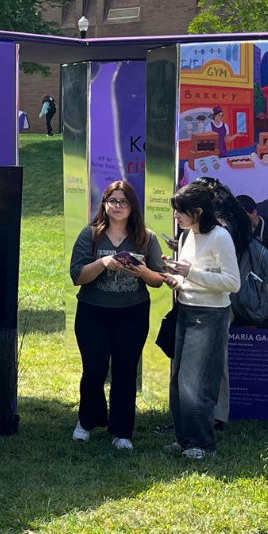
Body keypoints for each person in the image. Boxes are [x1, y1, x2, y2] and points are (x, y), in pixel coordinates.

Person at [69, 180, 168, 450]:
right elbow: (77, 276)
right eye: (112, 201)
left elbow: (158, 279)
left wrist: (142, 271)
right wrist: (101, 263)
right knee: (94, 370)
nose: (117, 206)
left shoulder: (146, 238)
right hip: (93, 312)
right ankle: (87, 422)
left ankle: (122, 432)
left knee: (125, 373)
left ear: (132, 206)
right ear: (104, 204)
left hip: (132, 313)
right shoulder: (90, 235)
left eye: (123, 201)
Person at [161, 181, 238, 460]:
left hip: (210, 316)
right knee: (179, 380)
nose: (176, 216)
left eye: (181, 211)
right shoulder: (185, 236)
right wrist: (176, 279)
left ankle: (203, 445)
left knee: (198, 383)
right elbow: (191, 277)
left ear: (199, 211)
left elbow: (232, 282)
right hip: (186, 309)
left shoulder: (220, 237)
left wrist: (190, 274)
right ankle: (184, 440)